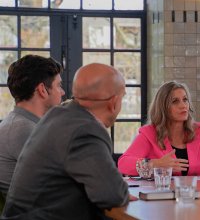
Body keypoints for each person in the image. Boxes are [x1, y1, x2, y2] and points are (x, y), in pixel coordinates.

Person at [2, 63, 132, 219]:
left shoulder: (57, 115)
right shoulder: (85, 129)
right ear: (114, 102)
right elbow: (113, 194)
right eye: (122, 97)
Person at [118, 81, 200, 176]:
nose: (183, 105)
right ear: (163, 107)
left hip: (198, 200)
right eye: (175, 101)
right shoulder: (149, 133)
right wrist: (155, 164)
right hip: (161, 200)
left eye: (185, 100)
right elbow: (123, 164)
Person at [0, 55, 64, 211]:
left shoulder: (21, 123)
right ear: (42, 90)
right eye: (58, 85)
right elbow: (60, 185)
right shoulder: (23, 129)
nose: (62, 92)